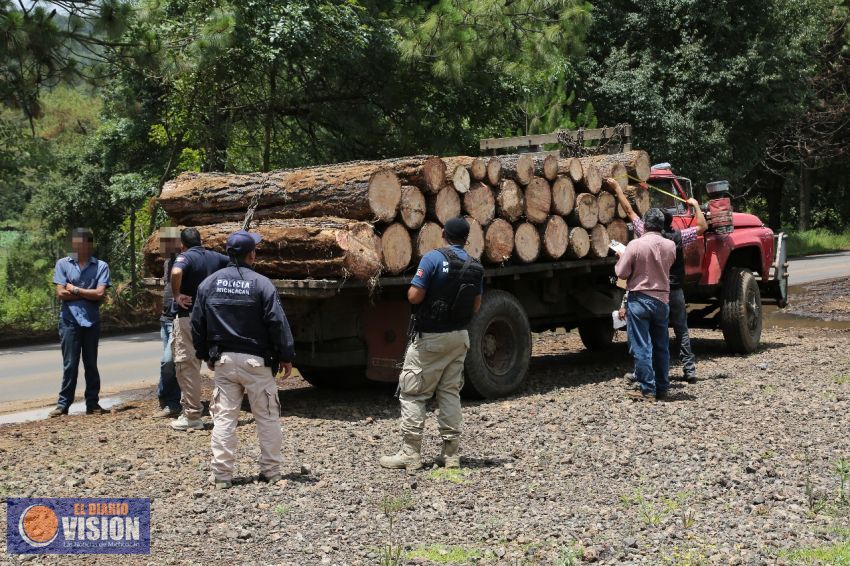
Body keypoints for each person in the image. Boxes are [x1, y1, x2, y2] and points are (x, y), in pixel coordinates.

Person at [191, 230, 294, 490]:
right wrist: (286, 355)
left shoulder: (208, 284)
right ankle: (271, 472)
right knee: (267, 417)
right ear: (251, 254)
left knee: (224, 419)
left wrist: (205, 354)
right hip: (257, 363)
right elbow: (277, 322)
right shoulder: (262, 284)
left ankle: (222, 476)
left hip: (224, 362)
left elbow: (197, 324)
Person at [380, 217, 484, 470]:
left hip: (431, 338)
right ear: (466, 238)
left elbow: (415, 297)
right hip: (459, 336)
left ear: (443, 233)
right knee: (449, 392)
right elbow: (477, 305)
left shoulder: (432, 258)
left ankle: (410, 454)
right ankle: (451, 455)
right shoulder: (475, 266)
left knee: (413, 392)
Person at [610, 180, 707, 383]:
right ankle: (689, 370)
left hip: (650, 292)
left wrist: (618, 190)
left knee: (644, 334)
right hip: (675, 290)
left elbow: (629, 211)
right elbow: (702, 227)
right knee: (681, 329)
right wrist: (695, 205)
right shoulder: (678, 237)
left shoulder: (643, 235)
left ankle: (642, 373)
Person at [169, 227, 230, 431]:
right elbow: (235, 266)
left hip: (189, 318)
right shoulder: (216, 257)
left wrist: (177, 294)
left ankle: (192, 416)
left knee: (188, 366)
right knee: (219, 363)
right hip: (213, 318)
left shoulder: (184, 257)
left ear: (182, 245)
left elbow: (176, 271)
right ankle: (225, 412)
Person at [614, 208, 676, 402]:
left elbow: (622, 273)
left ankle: (647, 389)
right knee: (661, 346)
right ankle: (663, 388)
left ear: (646, 224)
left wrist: (621, 259)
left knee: (642, 346)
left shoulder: (635, 245)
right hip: (662, 299)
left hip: (639, 299)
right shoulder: (670, 245)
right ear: (662, 225)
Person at [49, 228, 111, 417]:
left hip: (91, 321)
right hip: (69, 321)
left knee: (91, 363)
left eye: (82, 243)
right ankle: (63, 405)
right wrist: (88, 293)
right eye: (75, 242)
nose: (77, 246)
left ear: (89, 244)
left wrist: (74, 289)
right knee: (70, 364)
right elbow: (60, 293)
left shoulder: (101, 266)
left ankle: (92, 403)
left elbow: (100, 294)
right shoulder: (63, 264)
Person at [154, 228, 182, 418]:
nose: (160, 247)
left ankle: (171, 402)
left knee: (169, 361)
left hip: (176, 319)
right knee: (169, 362)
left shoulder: (184, 261)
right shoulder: (168, 262)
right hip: (165, 318)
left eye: (165, 242)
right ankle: (166, 398)